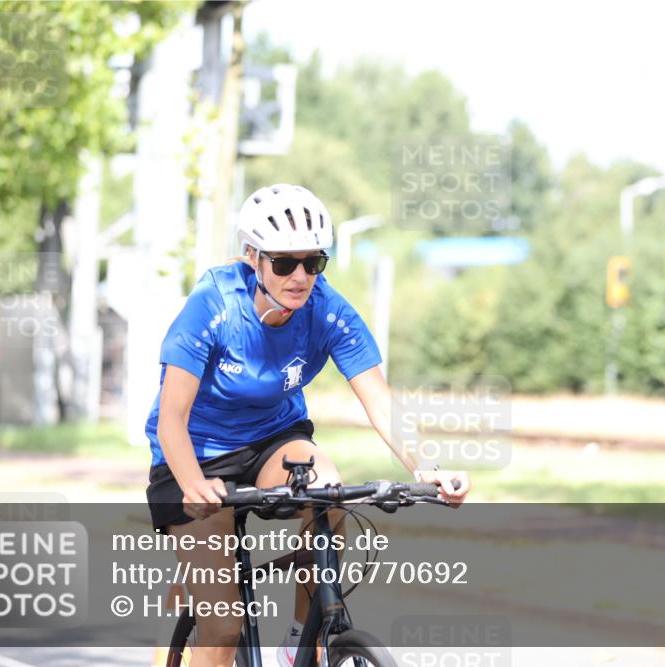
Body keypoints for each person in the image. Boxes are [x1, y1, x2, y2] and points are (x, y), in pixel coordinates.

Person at [145, 183, 471, 667]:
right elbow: (171, 418)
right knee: (222, 625)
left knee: (329, 491)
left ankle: (303, 641)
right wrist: (193, 484)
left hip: (274, 440)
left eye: (313, 262)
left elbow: (380, 401)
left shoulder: (327, 310)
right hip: (194, 452)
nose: (300, 276)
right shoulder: (213, 306)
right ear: (252, 257)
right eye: (283, 263)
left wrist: (428, 467)